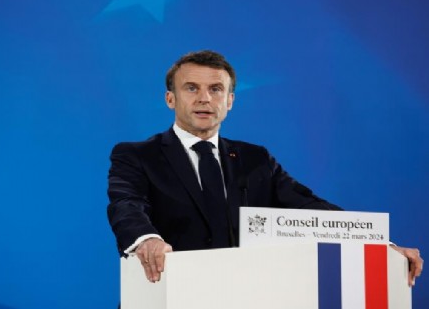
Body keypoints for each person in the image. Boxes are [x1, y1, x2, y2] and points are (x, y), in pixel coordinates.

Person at [106, 50, 422, 285]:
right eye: (191, 88)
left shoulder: (255, 159)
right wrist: (146, 239)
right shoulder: (136, 155)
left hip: (244, 295)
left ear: (230, 100)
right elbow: (127, 205)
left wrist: (381, 246)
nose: (204, 98)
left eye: (215, 89)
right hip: (166, 294)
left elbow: (310, 207)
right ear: (170, 99)